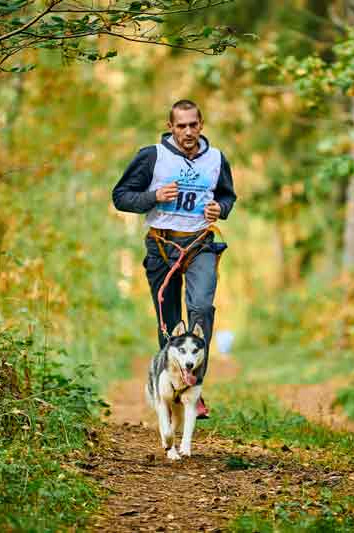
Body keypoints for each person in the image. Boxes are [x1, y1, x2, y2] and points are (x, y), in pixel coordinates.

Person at [112, 99, 237, 418]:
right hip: (161, 246)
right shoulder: (152, 156)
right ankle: (169, 385)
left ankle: (194, 390)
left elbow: (226, 196)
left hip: (200, 245)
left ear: (201, 124)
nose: (188, 131)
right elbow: (121, 197)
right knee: (169, 323)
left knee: (200, 308)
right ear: (170, 127)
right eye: (181, 125)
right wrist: (153, 196)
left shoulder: (216, 159)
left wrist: (219, 209)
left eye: (193, 124)